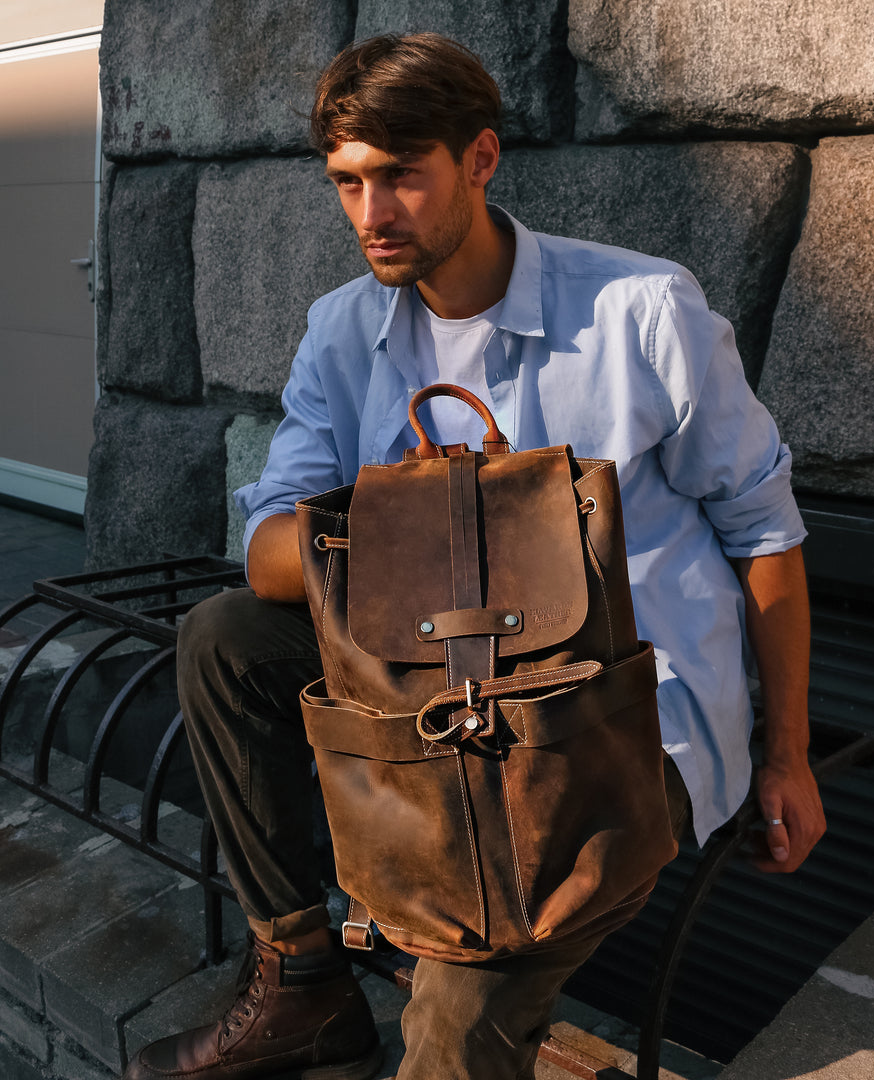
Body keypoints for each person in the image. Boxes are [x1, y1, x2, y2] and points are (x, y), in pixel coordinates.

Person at [122, 31, 825, 1080]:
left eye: (402, 176)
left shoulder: (640, 311)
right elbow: (267, 549)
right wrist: (418, 524)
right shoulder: (344, 331)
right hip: (426, 694)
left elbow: (766, 533)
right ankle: (303, 980)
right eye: (348, 182)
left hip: (616, 721)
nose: (372, 215)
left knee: (456, 1011)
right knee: (223, 638)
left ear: (482, 160)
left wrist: (787, 755)